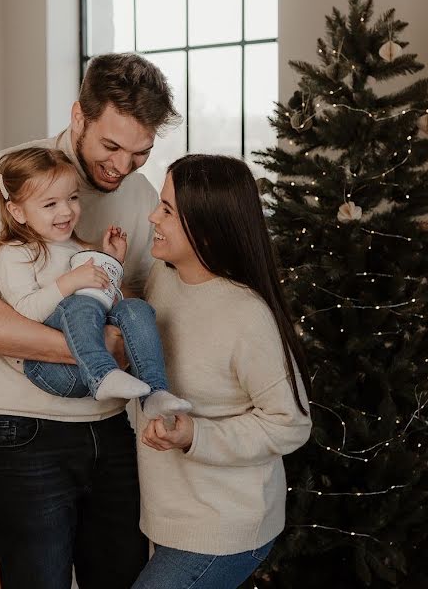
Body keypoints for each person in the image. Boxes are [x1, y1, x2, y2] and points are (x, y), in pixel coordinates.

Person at [0, 53, 179, 589]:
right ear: (78, 117)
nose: (121, 166)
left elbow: (134, 301)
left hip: (114, 430)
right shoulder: (9, 175)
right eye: (110, 146)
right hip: (18, 430)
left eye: (140, 152)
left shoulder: (140, 196)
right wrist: (98, 353)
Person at [131, 154, 313, 589]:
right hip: (170, 514)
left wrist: (197, 435)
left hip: (225, 526)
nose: (153, 216)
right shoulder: (162, 277)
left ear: (207, 228)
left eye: (168, 210)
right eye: (160, 202)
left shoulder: (246, 317)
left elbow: (291, 424)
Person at [0, 146, 192, 419]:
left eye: (72, 198)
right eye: (50, 204)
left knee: (135, 307)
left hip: (88, 358)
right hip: (51, 368)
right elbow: (26, 312)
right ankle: (103, 374)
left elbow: (104, 301)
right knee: (81, 303)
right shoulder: (16, 253)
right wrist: (72, 281)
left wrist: (112, 263)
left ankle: (154, 393)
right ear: (18, 212)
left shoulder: (76, 247)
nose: (66, 211)